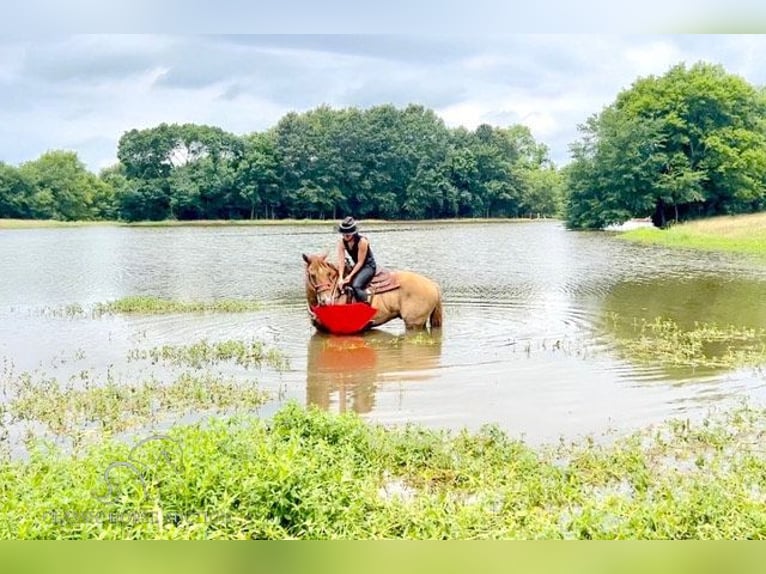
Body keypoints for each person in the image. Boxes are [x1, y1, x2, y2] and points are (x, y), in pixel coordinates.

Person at [336, 216, 376, 304]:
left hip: (367, 266)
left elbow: (360, 262)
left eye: (348, 234)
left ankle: (366, 305)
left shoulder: (362, 242)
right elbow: (341, 261)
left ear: (353, 233)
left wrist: (350, 276)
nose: (345, 236)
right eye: (343, 234)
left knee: (356, 285)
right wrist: (340, 277)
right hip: (357, 265)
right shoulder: (342, 242)